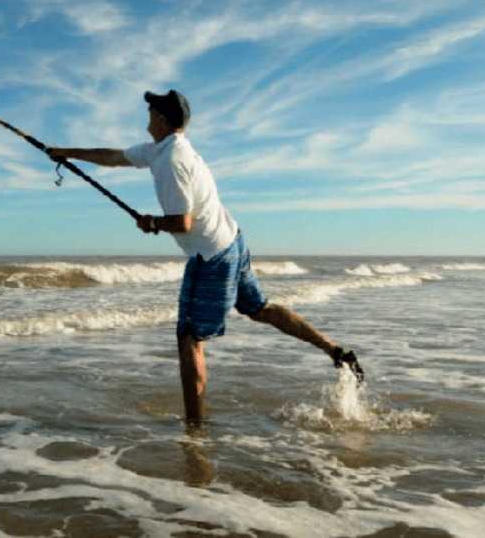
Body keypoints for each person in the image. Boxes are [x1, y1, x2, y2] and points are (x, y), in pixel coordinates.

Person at [48, 90, 363, 426]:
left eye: (152, 109)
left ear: (163, 120)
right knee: (260, 309)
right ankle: (334, 350)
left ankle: (194, 432)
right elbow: (114, 157)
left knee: (189, 339)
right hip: (233, 240)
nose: (148, 113)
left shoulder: (171, 162)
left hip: (212, 257)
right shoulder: (165, 149)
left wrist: (152, 222)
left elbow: (183, 222)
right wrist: (69, 153)